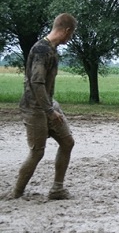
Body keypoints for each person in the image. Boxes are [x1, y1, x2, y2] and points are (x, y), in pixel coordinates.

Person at [3, 13, 78, 200]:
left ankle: (57, 189)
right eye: (70, 35)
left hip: (48, 104)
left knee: (67, 142)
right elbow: (36, 82)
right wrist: (49, 111)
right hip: (34, 108)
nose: (69, 39)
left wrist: (52, 107)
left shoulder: (52, 49)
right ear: (66, 30)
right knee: (37, 152)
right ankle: (16, 192)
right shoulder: (41, 50)